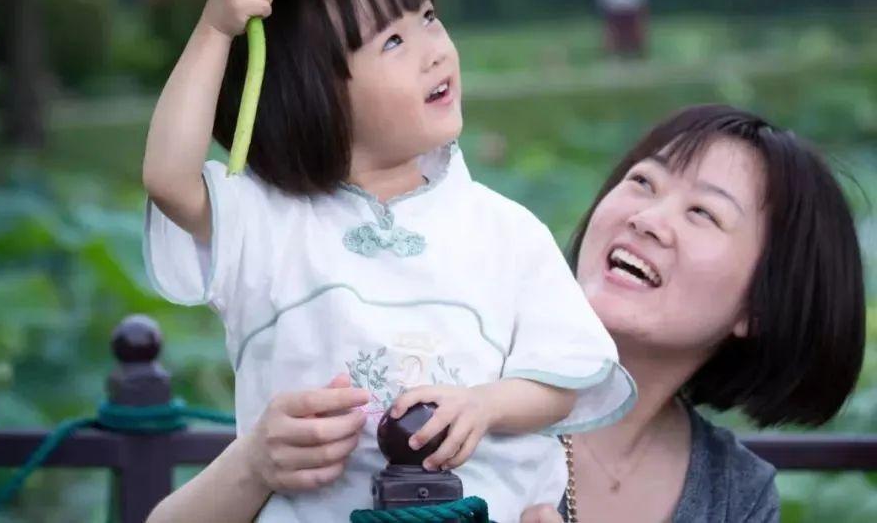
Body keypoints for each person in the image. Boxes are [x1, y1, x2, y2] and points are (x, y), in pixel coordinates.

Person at [147, 104, 866, 523]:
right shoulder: (436, 371)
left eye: (703, 213)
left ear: (762, 304)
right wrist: (257, 462)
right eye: (642, 181)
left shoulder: (734, 496)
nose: (647, 216)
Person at [141, 0, 635, 522]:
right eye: (393, 42)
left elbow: (564, 378)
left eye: (427, 17)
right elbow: (167, 179)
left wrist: (484, 405)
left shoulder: (506, 229)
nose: (434, 51)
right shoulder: (265, 221)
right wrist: (214, 28)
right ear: (314, 93)